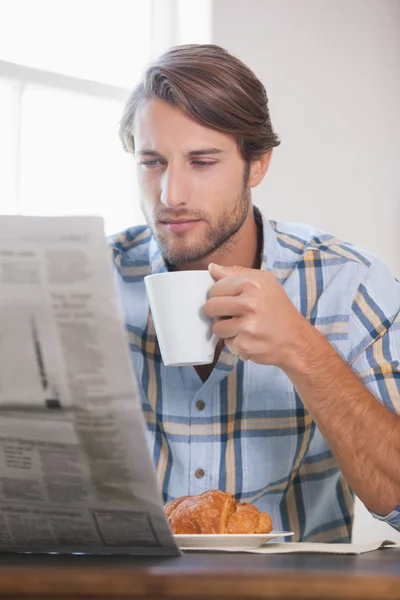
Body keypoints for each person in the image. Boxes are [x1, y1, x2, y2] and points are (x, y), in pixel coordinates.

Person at [110, 44, 400, 542]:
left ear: (258, 164)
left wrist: (303, 351)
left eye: (202, 162)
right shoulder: (94, 279)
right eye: (152, 162)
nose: (170, 194)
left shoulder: (348, 284)